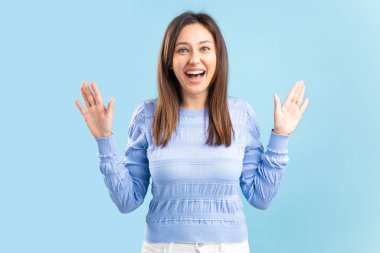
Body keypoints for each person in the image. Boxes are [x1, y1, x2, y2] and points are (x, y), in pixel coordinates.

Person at [74, 11, 309, 253]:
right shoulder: (146, 115)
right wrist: (104, 139)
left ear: (218, 57)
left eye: (204, 49)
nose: (194, 59)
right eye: (183, 50)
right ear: (169, 60)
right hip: (162, 247)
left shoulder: (240, 114)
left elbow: (260, 197)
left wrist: (280, 136)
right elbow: (127, 201)